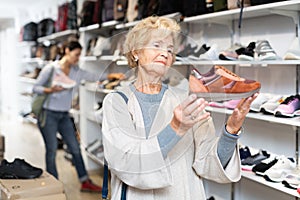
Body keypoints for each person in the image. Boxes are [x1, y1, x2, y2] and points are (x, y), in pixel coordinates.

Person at [102, 16, 258, 199]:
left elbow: (208, 160)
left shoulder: (185, 99)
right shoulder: (117, 102)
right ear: (136, 52)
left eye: (169, 49)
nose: (165, 53)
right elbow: (125, 162)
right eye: (157, 45)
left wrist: (231, 129)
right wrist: (176, 127)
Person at [32, 40, 102, 192]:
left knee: (75, 148)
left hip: (64, 115)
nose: (78, 58)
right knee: (51, 150)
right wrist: (50, 90)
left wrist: (113, 75)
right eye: (76, 55)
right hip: (48, 114)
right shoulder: (51, 69)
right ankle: (53, 185)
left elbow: (95, 75)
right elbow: (35, 87)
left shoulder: (78, 71)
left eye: (80, 55)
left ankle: (85, 181)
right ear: (66, 51)